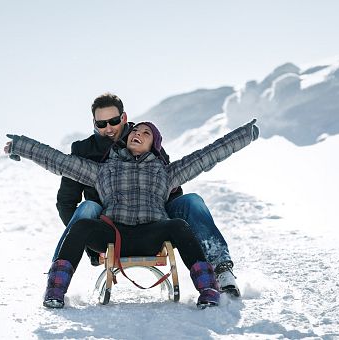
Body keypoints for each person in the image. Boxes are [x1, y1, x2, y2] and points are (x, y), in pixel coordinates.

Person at [4, 119, 259, 309]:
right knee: (82, 225)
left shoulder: (166, 172)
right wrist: (21, 146)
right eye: (135, 131)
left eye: (146, 133)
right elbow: (58, 161)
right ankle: (55, 290)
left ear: (154, 145)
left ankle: (208, 289)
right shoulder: (103, 170)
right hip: (114, 235)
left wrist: (245, 135)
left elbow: (207, 155)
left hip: (152, 234)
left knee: (179, 225)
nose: (138, 134)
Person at [54, 93, 242, 297]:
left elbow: (171, 185)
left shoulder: (144, 136)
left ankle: (221, 270)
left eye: (114, 121)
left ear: (124, 118)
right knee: (87, 207)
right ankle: (57, 277)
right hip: (107, 219)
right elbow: (66, 202)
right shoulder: (84, 149)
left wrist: (168, 226)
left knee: (191, 201)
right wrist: (91, 246)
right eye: (101, 124)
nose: (108, 128)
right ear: (94, 123)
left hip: (152, 214)